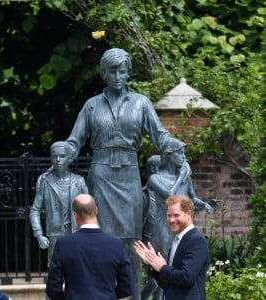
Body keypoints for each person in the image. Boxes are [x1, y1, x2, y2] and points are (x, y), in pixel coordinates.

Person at [65, 48, 181, 299]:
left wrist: (174, 146)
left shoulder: (141, 102)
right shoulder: (92, 105)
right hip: (101, 174)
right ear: (103, 73)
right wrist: (65, 150)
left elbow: (160, 135)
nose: (118, 75)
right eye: (112, 71)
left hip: (128, 175)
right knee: (100, 239)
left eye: (122, 70)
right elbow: (75, 141)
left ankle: (134, 296)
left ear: (128, 72)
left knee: (131, 240)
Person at [143, 137, 213, 299]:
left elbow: (192, 198)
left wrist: (205, 204)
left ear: (188, 214)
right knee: (158, 276)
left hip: (176, 226)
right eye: (180, 153)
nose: (184, 157)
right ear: (168, 155)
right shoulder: (155, 179)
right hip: (162, 226)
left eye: (184, 153)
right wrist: (155, 266)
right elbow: (170, 195)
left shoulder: (194, 240)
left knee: (167, 267)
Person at [46, 194, 134, 300]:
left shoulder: (63, 244)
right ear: (96, 211)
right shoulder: (116, 244)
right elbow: (127, 287)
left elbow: (53, 288)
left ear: (75, 215)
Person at [134, 194, 209, 300]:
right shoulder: (177, 241)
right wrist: (152, 264)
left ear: (188, 214)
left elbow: (186, 277)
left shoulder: (197, 240)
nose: (171, 220)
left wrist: (162, 267)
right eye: (169, 215)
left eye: (176, 215)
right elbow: (168, 283)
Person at [30, 141, 88, 266]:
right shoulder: (45, 181)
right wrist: (39, 234)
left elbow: (89, 211)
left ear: (69, 158)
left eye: (62, 156)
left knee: (78, 271)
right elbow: (35, 210)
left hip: (77, 234)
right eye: (54, 156)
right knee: (55, 273)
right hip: (55, 235)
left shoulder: (79, 181)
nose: (58, 159)